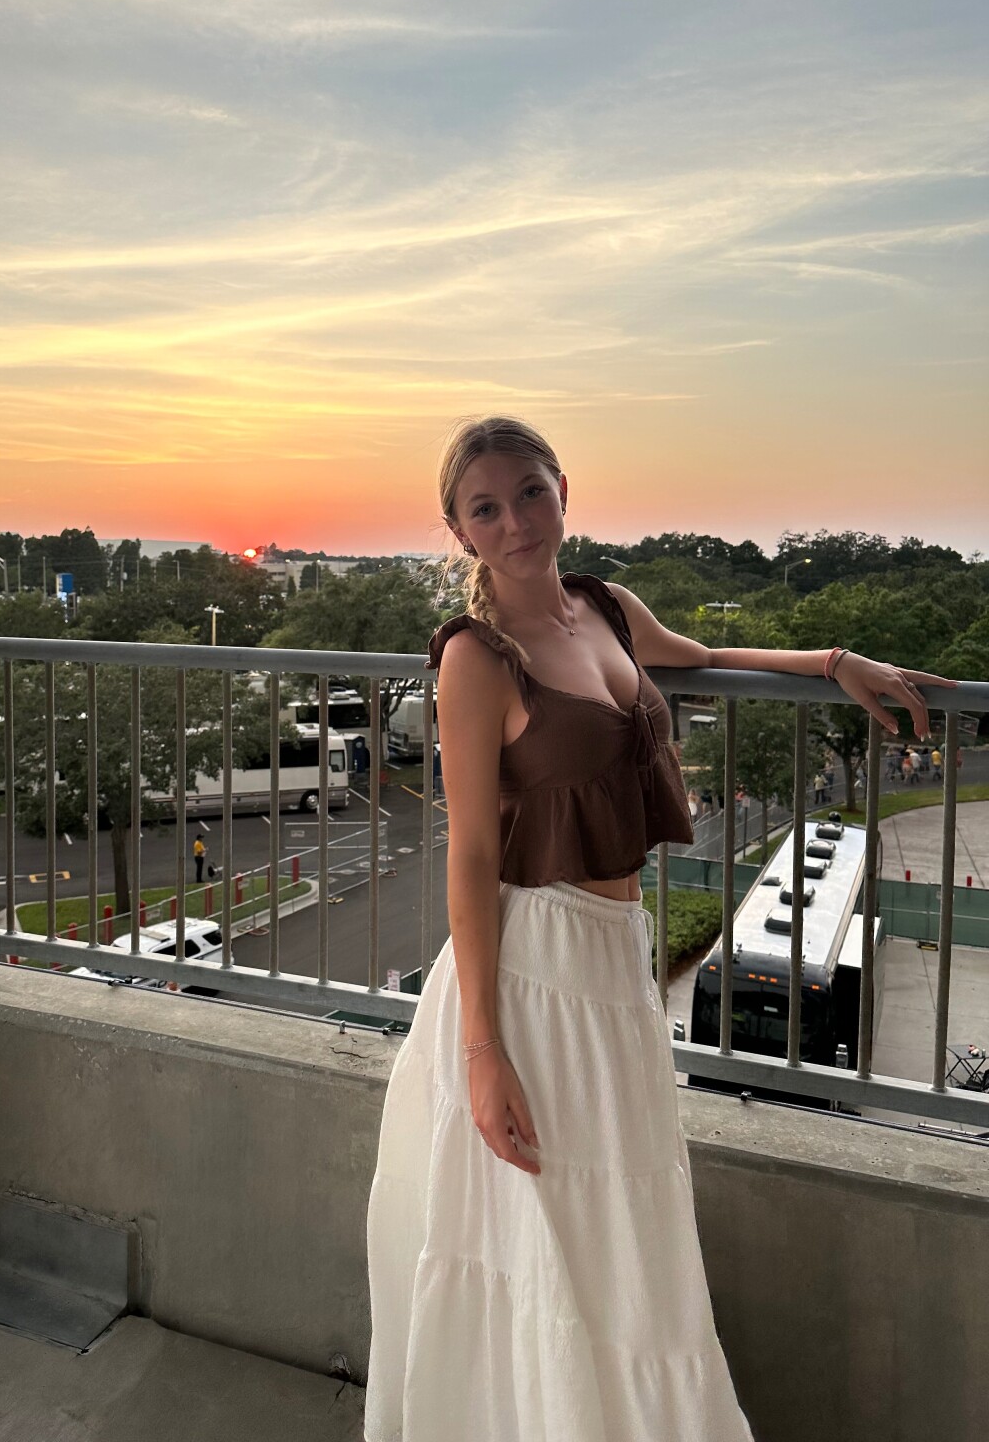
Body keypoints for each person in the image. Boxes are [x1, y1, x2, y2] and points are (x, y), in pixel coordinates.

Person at [364, 416, 954, 1442]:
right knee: (550, 1227)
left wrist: (833, 660)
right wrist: (482, 1052)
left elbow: (706, 654)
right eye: (485, 509)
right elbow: (470, 856)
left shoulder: (605, 606)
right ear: (459, 533)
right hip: (534, 967)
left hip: (611, 958)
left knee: (620, 1222)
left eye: (530, 492)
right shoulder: (475, 659)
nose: (516, 522)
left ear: (563, 490)